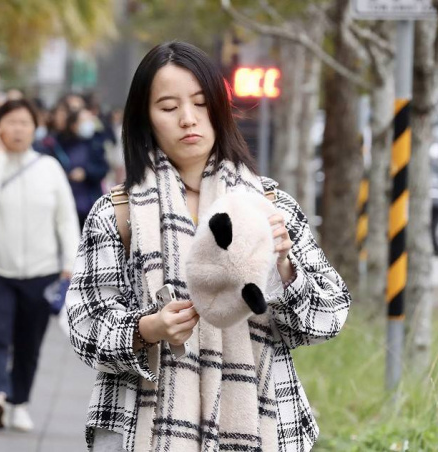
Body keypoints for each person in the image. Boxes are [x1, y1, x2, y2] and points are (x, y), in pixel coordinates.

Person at [65, 41, 351, 452]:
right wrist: (148, 329)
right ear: (144, 117)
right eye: (168, 107)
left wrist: (284, 270)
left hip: (261, 424)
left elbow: (329, 317)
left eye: (200, 103)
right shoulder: (118, 214)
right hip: (142, 427)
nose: (188, 118)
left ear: (219, 108)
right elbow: (84, 325)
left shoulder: (269, 206)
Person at [0, 99, 80, 432]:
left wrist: (70, 262)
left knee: (28, 342)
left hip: (41, 272)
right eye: (10, 122)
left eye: (24, 123)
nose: (17, 129)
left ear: (35, 128)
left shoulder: (49, 167)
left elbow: (66, 219)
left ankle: (19, 404)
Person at [41, 108, 109, 229]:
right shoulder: (60, 145)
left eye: (90, 120)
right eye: (84, 121)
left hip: (91, 203)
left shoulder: (95, 143)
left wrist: (86, 173)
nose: (88, 124)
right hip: (68, 203)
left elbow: (103, 169)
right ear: (73, 125)